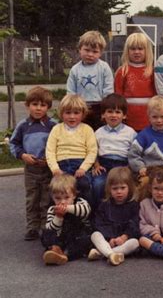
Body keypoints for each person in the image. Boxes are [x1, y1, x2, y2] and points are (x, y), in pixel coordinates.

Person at [9, 86, 56, 241]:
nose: (38, 108)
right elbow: (14, 144)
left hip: (47, 168)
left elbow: (59, 145)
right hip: (30, 169)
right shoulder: (23, 126)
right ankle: (32, 227)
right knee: (32, 199)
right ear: (27, 105)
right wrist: (23, 155)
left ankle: (45, 227)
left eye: (42, 105)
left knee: (46, 198)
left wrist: (50, 160)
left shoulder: (53, 126)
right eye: (35, 104)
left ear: (48, 107)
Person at [45, 94, 97, 205]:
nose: (72, 117)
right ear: (62, 114)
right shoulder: (56, 129)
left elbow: (92, 151)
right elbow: (50, 151)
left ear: (83, 114)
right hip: (61, 166)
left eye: (76, 113)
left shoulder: (87, 129)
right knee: (56, 188)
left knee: (85, 185)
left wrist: (83, 168)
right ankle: (56, 217)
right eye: (68, 113)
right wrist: (55, 169)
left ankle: (87, 215)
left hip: (80, 165)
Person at [91, 94, 136, 209]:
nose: (113, 115)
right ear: (103, 114)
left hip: (123, 166)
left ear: (124, 115)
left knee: (125, 186)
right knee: (98, 184)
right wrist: (96, 165)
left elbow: (134, 152)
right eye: (110, 112)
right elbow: (93, 151)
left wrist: (129, 167)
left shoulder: (130, 132)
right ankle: (99, 211)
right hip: (104, 165)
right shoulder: (98, 133)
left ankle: (123, 212)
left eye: (117, 112)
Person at [128, 96, 163, 199]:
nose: (159, 121)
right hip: (148, 171)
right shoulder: (143, 135)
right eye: (155, 117)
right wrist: (140, 167)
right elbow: (133, 154)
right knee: (144, 183)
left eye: (162, 117)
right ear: (149, 117)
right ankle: (142, 210)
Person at [88, 167, 140, 266]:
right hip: (108, 240)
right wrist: (110, 238)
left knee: (135, 242)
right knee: (95, 235)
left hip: (124, 240)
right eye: (115, 188)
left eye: (122, 188)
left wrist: (124, 237)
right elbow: (100, 224)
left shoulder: (134, 205)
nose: (119, 192)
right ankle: (111, 254)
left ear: (129, 188)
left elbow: (135, 224)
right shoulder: (104, 205)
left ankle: (102, 253)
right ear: (109, 189)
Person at [66, 30, 114, 130]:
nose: (90, 54)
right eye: (87, 50)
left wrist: (105, 110)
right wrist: (73, 108)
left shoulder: (104, 67)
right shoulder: (75, 69)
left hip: (99, 106)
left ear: (100, 53)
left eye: (95, 51)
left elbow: (108, 91)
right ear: (80, 49)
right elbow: (70, 92)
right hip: (80, 107)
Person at [41, 174, 92, 265]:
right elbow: (51, 228)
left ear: (74, 195)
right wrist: (58, 217)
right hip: (62, 238)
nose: (62, 202)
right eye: (57, 198)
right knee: (46, 233)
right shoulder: (52, 209)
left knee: (85, 240)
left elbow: (86, 211)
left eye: (66, 197)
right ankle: (56, 249)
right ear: (52, 197)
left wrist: (67, 209)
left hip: (77, 235)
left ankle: (64, 255)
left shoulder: (81, 202)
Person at [114, 33, 156, 131]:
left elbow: (156, 94)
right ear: (127, 51)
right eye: (133, 49)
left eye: (140, 49)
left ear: (147, 51)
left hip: (148, 116)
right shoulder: (122, 71)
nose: (136, 52)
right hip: (128, 117)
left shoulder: (152, 71)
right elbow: (118, 95)